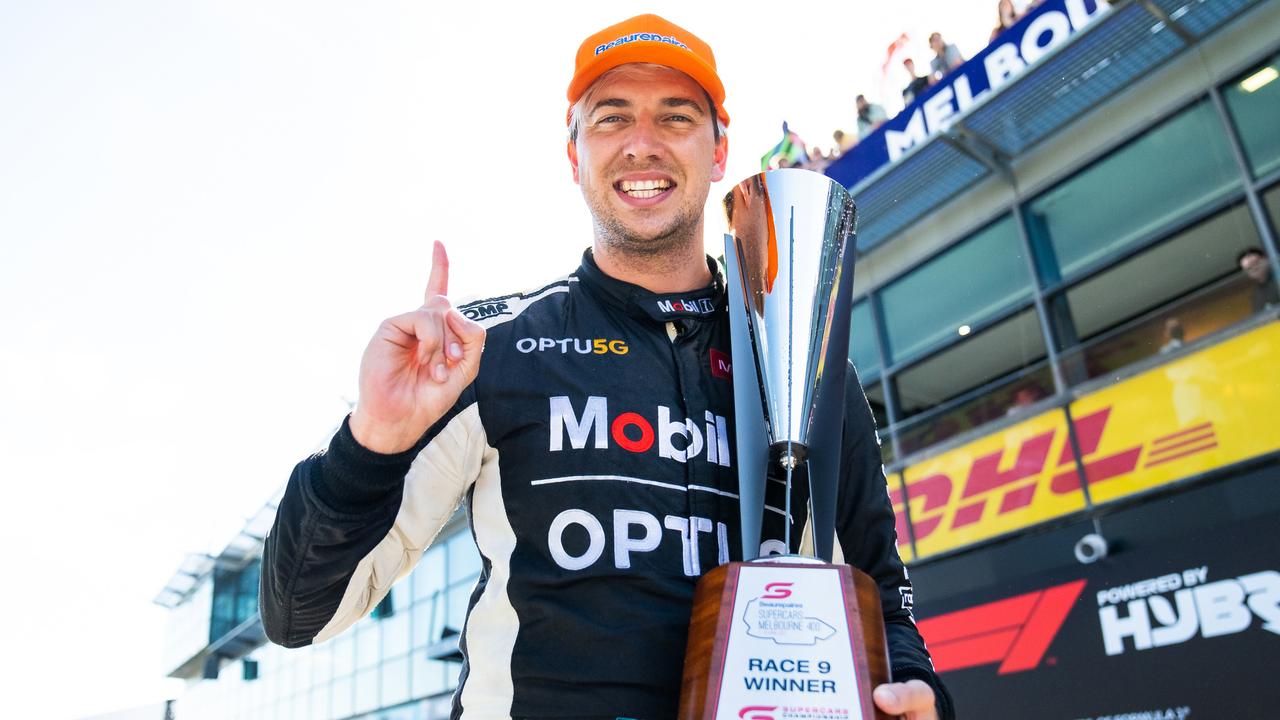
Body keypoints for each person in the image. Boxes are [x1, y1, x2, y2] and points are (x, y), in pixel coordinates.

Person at [259, 14, 953, 720]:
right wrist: (368, 439)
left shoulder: (800, 361)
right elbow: (299, 614)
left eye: (676, 117)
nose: (641, 144)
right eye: (610, 119)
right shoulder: (486, 349)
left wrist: (923, 695)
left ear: (719, 151)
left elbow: (883, 596)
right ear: (574, 156)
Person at [1239, 246, 1279, 311]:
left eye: (1255, 263)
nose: (1254, 268)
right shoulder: (1256, 294)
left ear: (1266, 259)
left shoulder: (1278, 277)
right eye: (1249, 268)